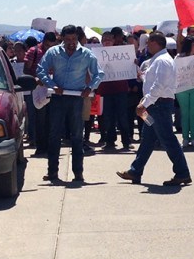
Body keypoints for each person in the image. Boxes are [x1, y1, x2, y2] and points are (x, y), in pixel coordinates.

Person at [116, 31, 192, 186]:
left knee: (167, 139)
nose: (147, 46)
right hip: (155, 106)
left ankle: (182, 172)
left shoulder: (162, 61)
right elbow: (155, 82)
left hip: (158, 105)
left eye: (149, 43)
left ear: (155, 43)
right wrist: (143, 77)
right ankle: (135, 171)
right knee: (148, 138)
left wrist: (145, 103)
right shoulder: (159, 60)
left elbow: (159, 86)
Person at [37, 25, 104, 182]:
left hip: (77, 98)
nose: (71, 42)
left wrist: (90, 88)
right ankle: (52, 172)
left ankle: (78, 173)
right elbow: (41, 70)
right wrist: (51, 84)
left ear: (78, 38)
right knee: (54, 135)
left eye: (74, 39)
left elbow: (99, 74)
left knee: (77, 136)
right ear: (62, 38)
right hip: (58, 98)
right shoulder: (53, 52)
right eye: (67, 39)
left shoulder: (86, 54)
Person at [96, 31, 132, 151]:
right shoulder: (96, 55)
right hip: (104, 90)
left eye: (109, 39)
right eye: (104, 39)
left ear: (113, 41)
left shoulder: (121, 53)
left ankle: (126, 142)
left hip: (120, 89)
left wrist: (133, 64)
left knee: (122, 116)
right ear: (101, 42)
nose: (107, 42)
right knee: (108, 117)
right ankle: (110, 141)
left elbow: (130, 66)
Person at [24, 32, 58, 157]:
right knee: (40, 118)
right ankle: (40, 146)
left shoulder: (55, 52)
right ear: (44, 41)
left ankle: (49, 146)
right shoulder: (34, 51)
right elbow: (26, 70)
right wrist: (36, 79)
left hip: (51, 88)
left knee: (51, 119)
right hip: (38, 88)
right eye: (48, 45)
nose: (50, 48)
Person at [175, 36, 194, 147]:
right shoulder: (178, 58)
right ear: (188, 46)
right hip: (182, 88)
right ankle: (185, 139)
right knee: (185, 113)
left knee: (193, 113)